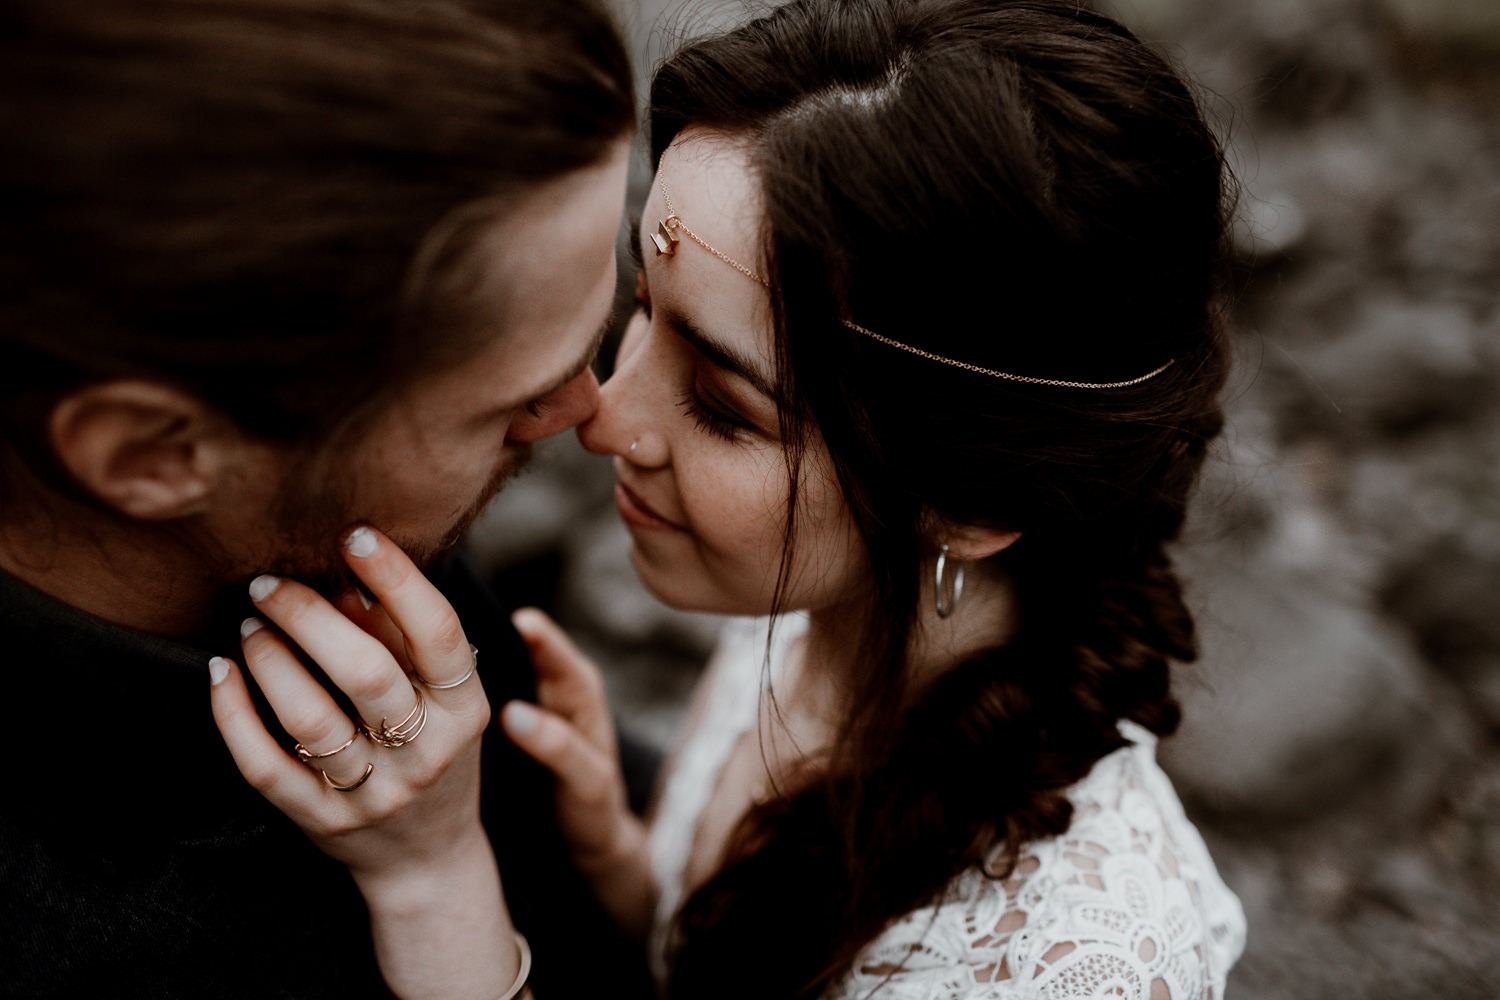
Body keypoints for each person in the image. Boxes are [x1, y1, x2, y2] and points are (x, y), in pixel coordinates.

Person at [210, 0, 1249, 996]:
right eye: (642, 304)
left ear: (970, 502)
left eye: (721, 405)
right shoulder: (824, 618)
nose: (603, 415)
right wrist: (630, 864)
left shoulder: (1065, 963)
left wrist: (433, 882)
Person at [0, 0, 655, 996]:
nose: (586, 409)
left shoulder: (321, 529)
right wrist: (443, 899)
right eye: (512, 398)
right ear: (153, 454)